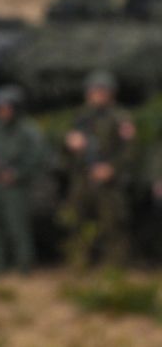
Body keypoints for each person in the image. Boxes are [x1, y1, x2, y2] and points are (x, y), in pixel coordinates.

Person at [61, 70, 136, 266]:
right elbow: (66, 149)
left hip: (108, 178)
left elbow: (130, 151)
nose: (97, 95)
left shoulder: (121, 117)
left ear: (111, 93)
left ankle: (115, 268)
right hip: (83, 176)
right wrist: (71, 144)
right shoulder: (80, 116)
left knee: (112, 223)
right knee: (77, 220)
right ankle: (78, 264)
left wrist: (112, 168)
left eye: (102, 91)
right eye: (94, 90)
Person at [0, 85, 44, 274]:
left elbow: (36, 159)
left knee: (18, 227)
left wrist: (17, 174)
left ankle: (24, 266)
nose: (2, 111)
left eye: (6, 107)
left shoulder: (28, 131)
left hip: (16, 187)